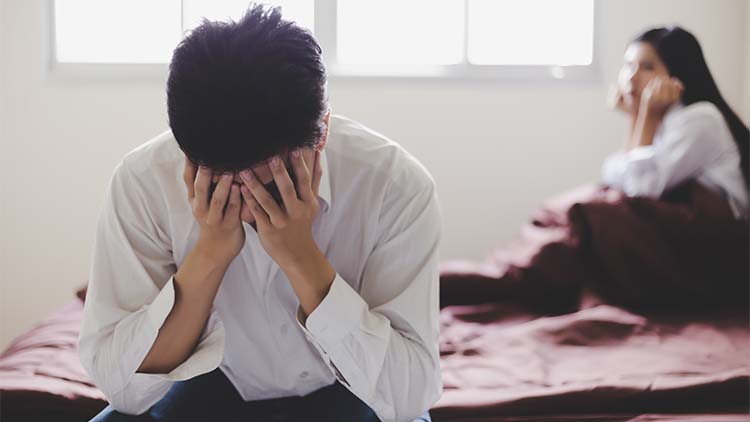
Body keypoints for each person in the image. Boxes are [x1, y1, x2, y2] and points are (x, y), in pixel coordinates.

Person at [80, 4, 440, 421]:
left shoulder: (394, 185)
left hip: (348, 392)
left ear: (321, 131)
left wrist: (299, 255)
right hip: (206, 387)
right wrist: (211, 252)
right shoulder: (143, 180)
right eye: (220, 178)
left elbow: (410, 394)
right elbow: (122, 388)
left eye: (268, 179)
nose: (247, 200)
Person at [604, 26, 749, 219]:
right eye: (628, 65)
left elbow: (639, 196)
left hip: (720, 232)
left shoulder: (701, 118)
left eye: (647, 67)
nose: (631, 77)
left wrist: (645, 118)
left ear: (677, 76)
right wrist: (637, 117)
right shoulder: (659, 117)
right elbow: (616, 178)